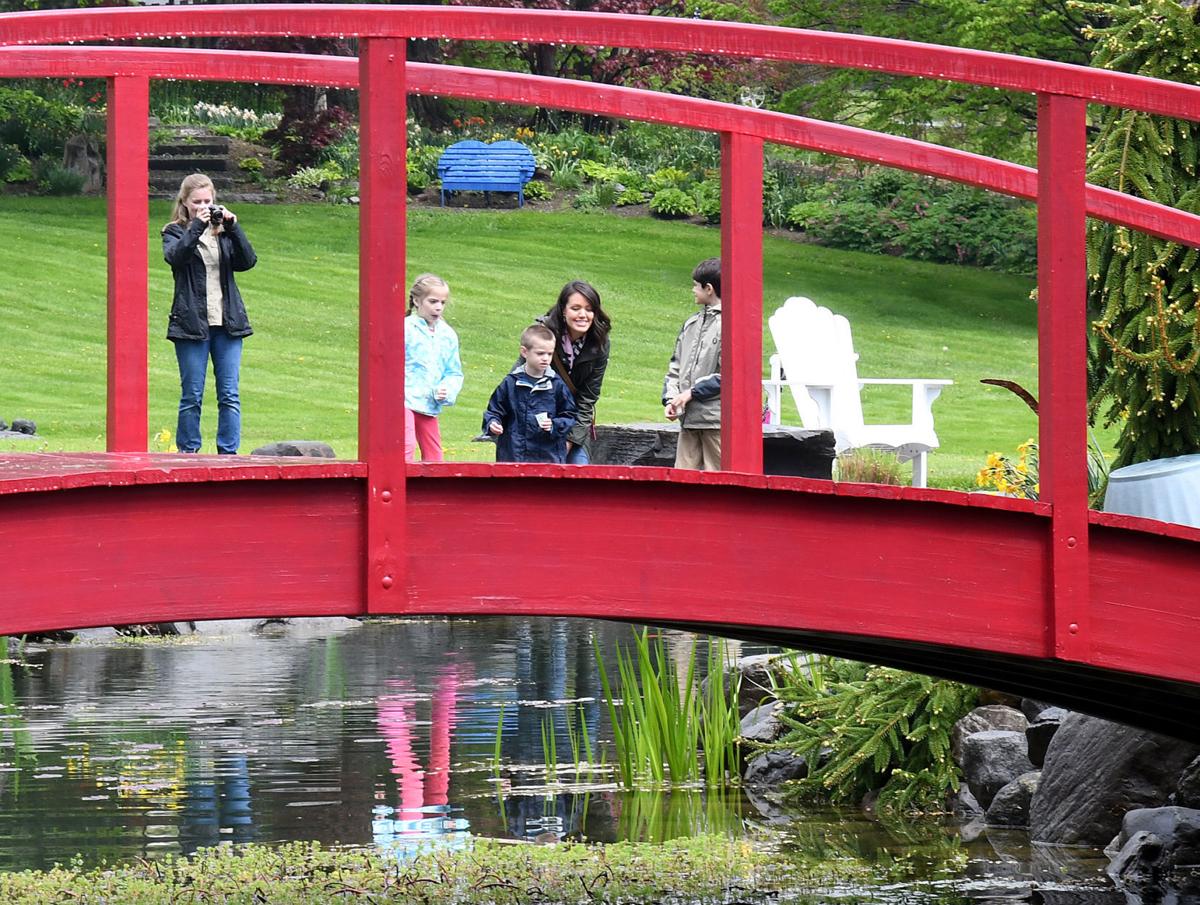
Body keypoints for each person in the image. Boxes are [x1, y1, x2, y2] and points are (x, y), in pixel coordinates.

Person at [162, 173, 257, 454]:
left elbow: (248, 261)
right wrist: (196, 227)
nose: (204, 206)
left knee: (229, 394)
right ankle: (188, 452)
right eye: (197, 202)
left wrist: (234, 227)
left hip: (227, 324)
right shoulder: (174, 231)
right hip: (191, 323)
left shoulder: (224, 233)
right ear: (185, 202)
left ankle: (228, 453)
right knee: (192, 394)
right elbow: (176, 257)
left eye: (208, 201)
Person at [532, 280, 612, 465]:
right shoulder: (543, 335)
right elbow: (519, 381)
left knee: (579, 470)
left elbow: (587, 399)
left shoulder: (600, 343)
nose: (583, 315)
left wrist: (569, 441)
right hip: (537, 418)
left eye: (589, 309)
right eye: (576, 308)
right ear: (563, 311)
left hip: (573, 422)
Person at [484, 324, 577, 463]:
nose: (546, 358)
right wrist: (492, 423)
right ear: (524, 352)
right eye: (540, 353)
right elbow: (494, 410)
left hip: (548, 457)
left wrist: (554, 424)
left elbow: (569, 415)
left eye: (550, 354)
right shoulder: (510, 383)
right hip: (513, 455)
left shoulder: (557, 385)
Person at [662, 257, 722, 471]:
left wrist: (691, 393)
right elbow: (675, 367)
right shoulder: (691, 324)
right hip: (688, 421)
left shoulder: (728, 324)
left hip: (715, 422)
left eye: (696, 285)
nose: (692, 289)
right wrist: (671, 399)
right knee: (683, 482)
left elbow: (728, 376)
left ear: (709, 289)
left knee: (718, 481)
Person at [404, 273, 463, 463]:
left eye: (442, 302)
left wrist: (447, 389)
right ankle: (401, 488)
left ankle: (430, 491)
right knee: (406, 445)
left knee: (435, 456)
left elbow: (453, 371)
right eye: (433, 301)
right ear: (416, 300)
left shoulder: (447, 335)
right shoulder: (405, 328)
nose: (438, 307)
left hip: (429, 403)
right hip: (403, 400)